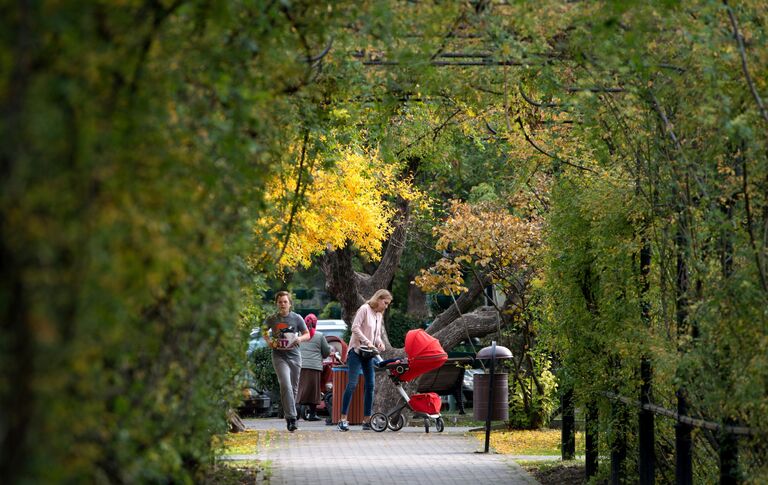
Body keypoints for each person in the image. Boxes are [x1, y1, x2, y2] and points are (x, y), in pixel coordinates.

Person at [337, 289, 392, 431]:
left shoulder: (379, 315)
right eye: (385, 303)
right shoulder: (364, 309)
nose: (386, 306)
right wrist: (367, 341)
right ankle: (342, 419)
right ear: (378, 299)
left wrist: (379, 343)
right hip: (356, 351)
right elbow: (355, 328)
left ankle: (367, 420)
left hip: (369, 353)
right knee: (352, 384)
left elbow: (377, 335)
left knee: (370, 385)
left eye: (388, 304)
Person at [262, 291, 310, 432]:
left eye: (285, 302)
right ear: (276, 303)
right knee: (285, 385)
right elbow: (264, 330)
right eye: (280, 302)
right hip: (279, 356)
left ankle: (290, 415)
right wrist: (270, 342)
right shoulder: (272, 319)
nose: (282, 304)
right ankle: (291, 419)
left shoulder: (297, 318)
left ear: (290, 304)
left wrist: (298, 339)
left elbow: (307, 334)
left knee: (293, 389)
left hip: (294, 356)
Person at [297, 313, 331, 421]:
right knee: (313, 390)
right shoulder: (320, 336)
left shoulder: (299, 335)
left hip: (300, 366)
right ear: (315, 323)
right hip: (314, 367)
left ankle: (296, 411)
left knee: (300, 389)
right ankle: (312, 414)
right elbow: (326, 352)